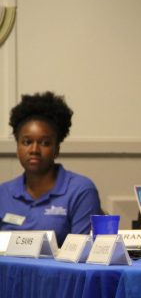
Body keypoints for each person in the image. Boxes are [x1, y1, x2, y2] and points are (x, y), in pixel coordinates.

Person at [0, 91, 101, 245]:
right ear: (17, 147)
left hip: (62, 270)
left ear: (57, 149)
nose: (34, 149)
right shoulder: (3, 193)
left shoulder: (80, 190)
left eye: (45, 143)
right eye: (26, 142)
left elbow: (82, 256)